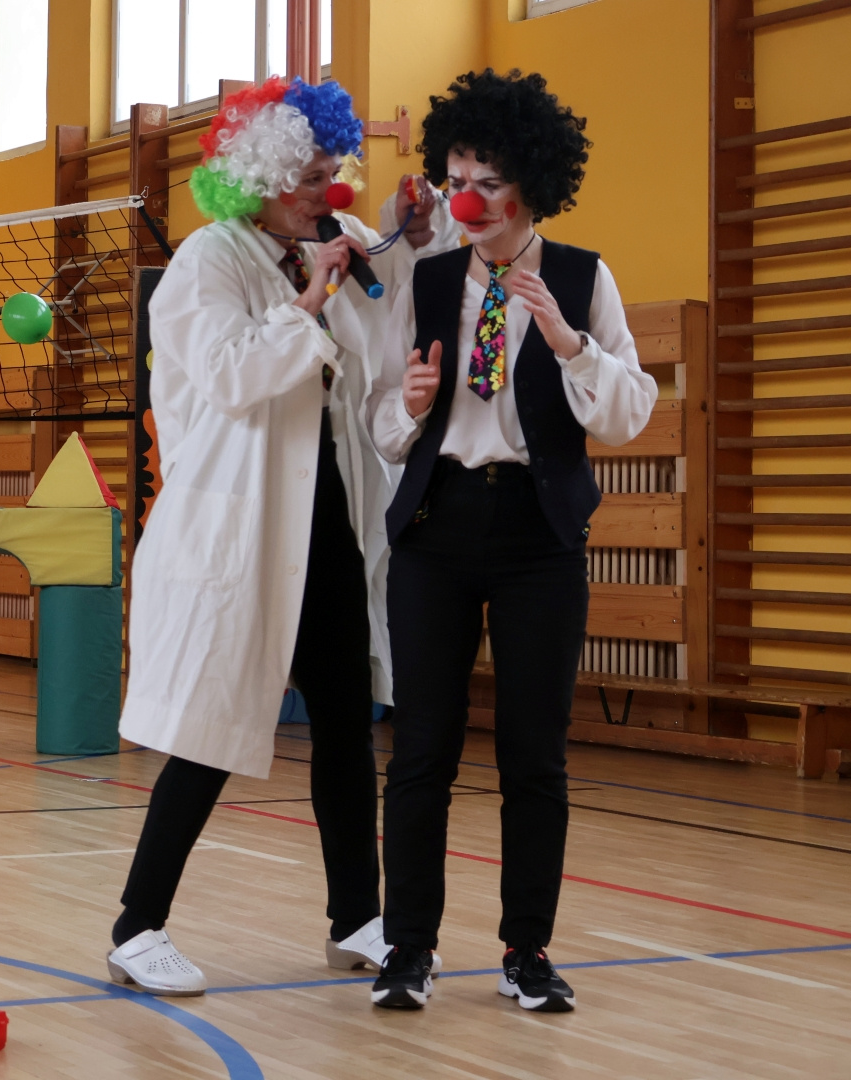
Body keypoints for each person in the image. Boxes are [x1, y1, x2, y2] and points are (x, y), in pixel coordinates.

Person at [108, 76, 459, 996]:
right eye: (309, 177)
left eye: (333, 172)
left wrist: (411, 236)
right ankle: (137, 927)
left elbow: (385, 334)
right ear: (259, 180)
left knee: (346, 724)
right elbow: (231, 375)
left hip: (327, 528)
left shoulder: (326, 254)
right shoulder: (208, 262)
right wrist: (307, 300)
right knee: (210, 727)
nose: (327, 191)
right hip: (240, 532)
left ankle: (357, 920)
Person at [365, 69, 656, 1013]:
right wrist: (407, 408)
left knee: (535, 756)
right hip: (436, 527)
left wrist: (569, 343)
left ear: (532, 182)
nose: (469, 200)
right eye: (457, 179)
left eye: (488, 181)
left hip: (538, 533)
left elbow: (628, 413)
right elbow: (382, 417)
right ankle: (408, 948)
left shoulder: (584, 277)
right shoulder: (425, 280)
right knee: (422, 752)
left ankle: (527, 950)